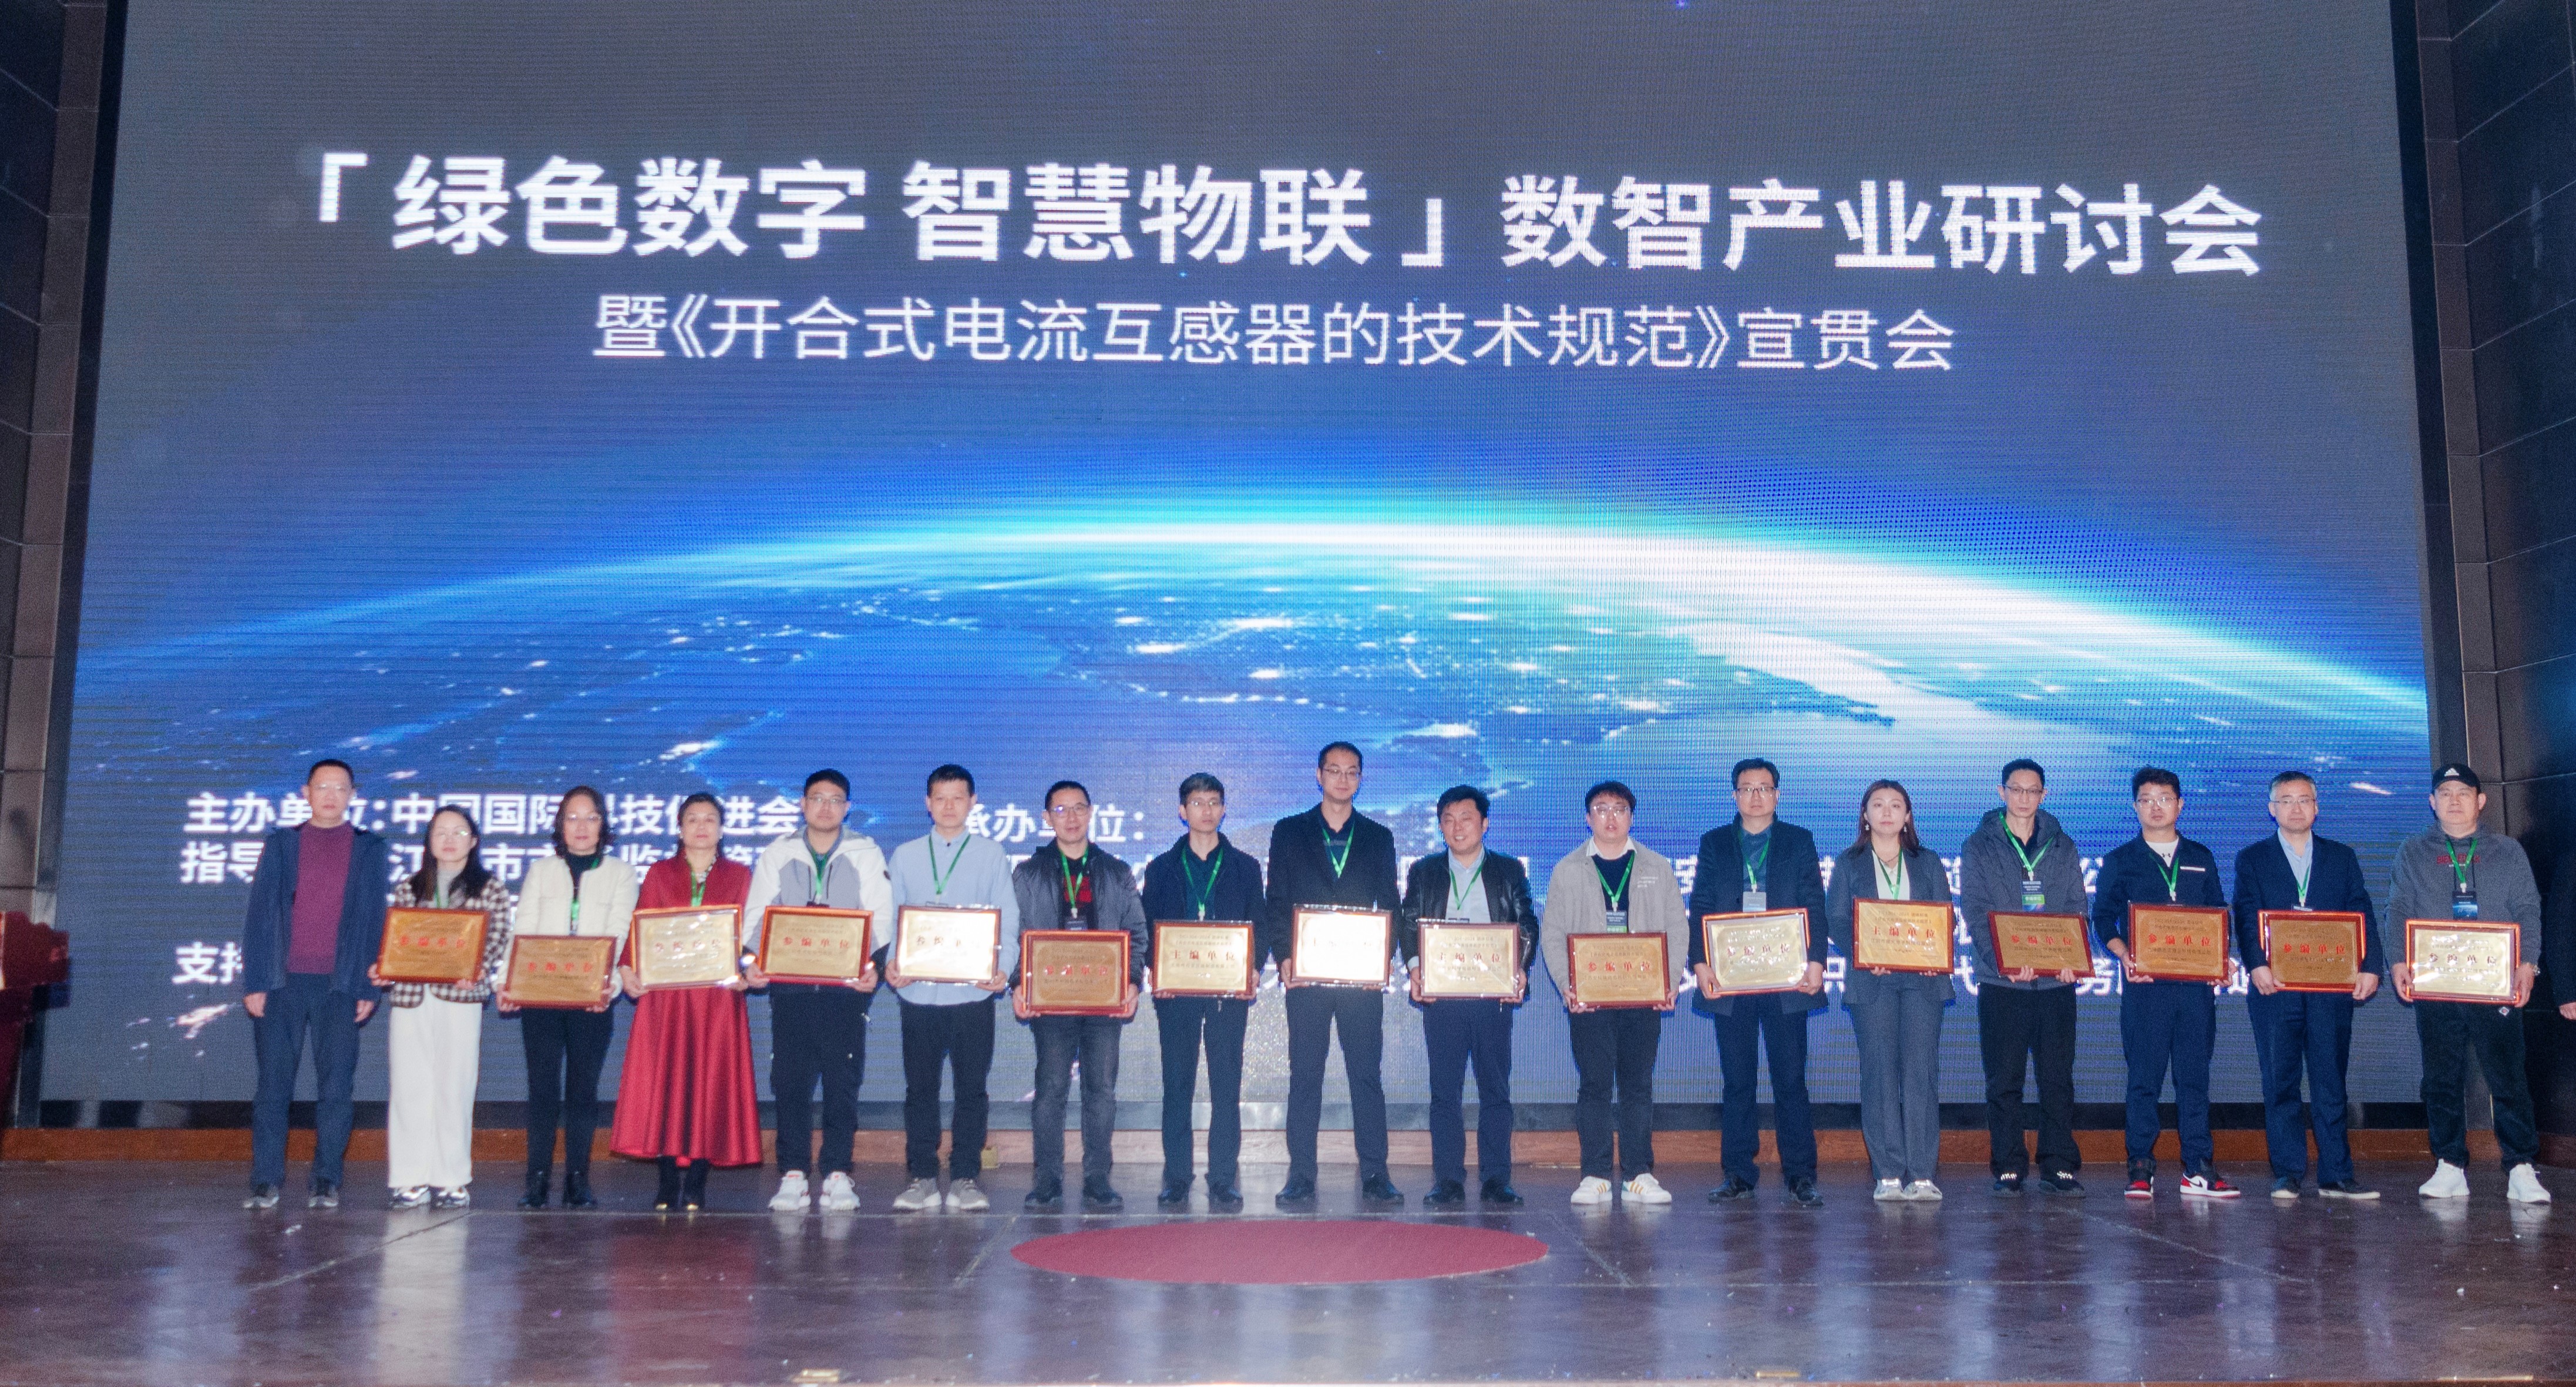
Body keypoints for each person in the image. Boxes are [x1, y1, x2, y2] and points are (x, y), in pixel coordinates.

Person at [2389, 764, 2551, 1204]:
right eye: (2445, 793)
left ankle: (2520, 1165)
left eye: (2464, 792)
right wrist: (2399, 960)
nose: (2454, 800)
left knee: (2508, 1075)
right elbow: (2398, 908)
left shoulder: (2507, 851)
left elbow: (2528, 908)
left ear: (2481, 800)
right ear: (2432, 802)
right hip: (2436, 982)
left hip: (2494, 982)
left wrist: (2528, 964)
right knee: (2441, 1078)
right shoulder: (2413, 851)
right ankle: (2449, 1164)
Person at [240, 758, 390, 1211]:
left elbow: (373, 918)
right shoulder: (282, 843)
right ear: (306, 792)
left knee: (336, 1087)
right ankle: (265, 1180)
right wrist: (256, 980)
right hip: (281, 982)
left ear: (353, 795)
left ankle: (326, 1179)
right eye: (322, 786)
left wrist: (367, 986)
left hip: (339, 985)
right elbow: (260, 913)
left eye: (340, 787)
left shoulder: (369, 848)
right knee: (273, 1086)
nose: (330, 795)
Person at [2230, 770, 2385, 1201]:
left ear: (2316, 807)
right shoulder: (2253, 858)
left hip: (2330, 987)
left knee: (2330, 1079)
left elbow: (2362, 910)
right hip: (2275, 986)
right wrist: (2256, 964)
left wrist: (2370, 965)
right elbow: (2246, 914)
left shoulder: (2341, 856)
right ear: (2272, 809)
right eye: (2286, 800)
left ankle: (2337, 1174)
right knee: (2280, 1080)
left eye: (2303, 800)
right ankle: (2287, 1172)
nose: (2295, 808)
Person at [744, 769, 890, 1215]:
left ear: (848, 808)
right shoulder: (779, 852)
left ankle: (838, 1172)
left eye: (836, 800)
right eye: (818, 798)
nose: (826, 807)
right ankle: (792, 1173)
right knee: (790, 1082)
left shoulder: (865, 852)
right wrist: (751, 963)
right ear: (803, 805)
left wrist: (872, 969)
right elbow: (756, 917)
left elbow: (881, 918)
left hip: (845, 991)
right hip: (791, 990)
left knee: (842, 1082)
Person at [1266, 741, 1404, 1209]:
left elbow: (1390, 904)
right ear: (1318, 775)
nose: (1343, 779)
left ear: (1360, 778)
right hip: (1307, 976)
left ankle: (1376, 1174)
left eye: (1352, 772)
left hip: (1359, 978)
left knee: (1366, 1075)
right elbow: (1277, 900)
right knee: (1305, 1075)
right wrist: (1285, 955)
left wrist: (1382, 957)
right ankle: (1301, 1174)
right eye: (1334, 770)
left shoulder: (1378, 837)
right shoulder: (1289, 831)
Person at [1686, 757, 1830, 1207]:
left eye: (1764, 788)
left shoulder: (1798, 840)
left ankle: (1801, 1174)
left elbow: (1814, 902)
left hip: (1787, 977)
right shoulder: (1714, 842)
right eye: (1746, 788)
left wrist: (1817, 961)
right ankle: (1738, 1174)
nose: (1755, 796)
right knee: (1737, 1080)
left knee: (1791, 1079)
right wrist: (1700, 962)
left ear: (1777, 794)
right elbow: (1701, 903)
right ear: (1734, 795)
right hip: (1731, 978)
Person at [1541, 780, 1689, 1209]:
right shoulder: (1568, 869)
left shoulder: (1656, 866)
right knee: (1595, 1085)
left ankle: (1640, 1173)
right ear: (1588, 817)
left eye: (1620, 809)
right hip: (1590, 998)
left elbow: (1677, 927)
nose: (1611, 817)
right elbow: (1553, 933)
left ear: (1631, 816)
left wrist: (1669, 981)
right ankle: (1595, 1175)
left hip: (1643, 996)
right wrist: (1567, 985)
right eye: (1602, 808)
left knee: (1638, 1084)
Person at [2091, 767, 2237, 1200]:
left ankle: (2198, 1167)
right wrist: (2125, 954)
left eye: (2165, 798)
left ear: (2180, 804)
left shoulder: (2200, 855)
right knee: (2144, 1080)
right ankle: (2140, 1166)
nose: (2156, 806)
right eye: (2147, 799)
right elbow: (2103, 918)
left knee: (2194, 1080)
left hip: (2195, 990)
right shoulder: (2121, 859)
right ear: (2135, 806)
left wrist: (2221, 958)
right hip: (2146, 988)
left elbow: (2218, 913)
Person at [611, 792, 762, 1211]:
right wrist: (628, 968)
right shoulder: (660, 873)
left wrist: (747, 969)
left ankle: (696, 1180)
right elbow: (640, 929)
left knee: (709, 1083)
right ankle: (665, 1181)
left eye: (710, 819)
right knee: (666, 1082)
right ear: (679, 828)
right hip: (667, 999)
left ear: (722, 829)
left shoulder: (739, 875)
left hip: (717, 1000)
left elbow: (749, 936)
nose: (701, 827)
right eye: (692, 819)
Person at [879, 764, 1018, 1214]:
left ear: (973, 802)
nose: (949, 806)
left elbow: (1007, 918)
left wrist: (1003, 968)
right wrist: (892, 963)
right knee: (920, 1089)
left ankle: (965, 1177)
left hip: (972, 994)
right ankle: (922, 1177)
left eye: (958, 797)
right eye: (940, 797)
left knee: (971, 1090)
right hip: (918, 993)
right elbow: (891, 918)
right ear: (927, 803)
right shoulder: (905, 855)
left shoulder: (991, 854)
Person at [1395, 784, 1538, 1208]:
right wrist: (1416, 969)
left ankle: (1497, 1179)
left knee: (1495, 1090)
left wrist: (1519, 970)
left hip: (1492, 996)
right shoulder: (1425, 870)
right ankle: (1448, 1180)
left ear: (1485, 823)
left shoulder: (1508, 870)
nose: (1458, 827)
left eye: (1467, 818)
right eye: (1449, 820)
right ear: (1441, 826)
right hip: (1443, 997)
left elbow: (1526, 923)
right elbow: (1409, 922)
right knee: (1445, 1092)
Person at [1010, 780, 1149, 1212]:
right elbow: (1015, 935)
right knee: (1050, 1089)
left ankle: (1097, 1180)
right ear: (1046, 818)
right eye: (1060, 809)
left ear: (1091, 813)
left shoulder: (1115, 871)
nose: (1070, 818)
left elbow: (1136, 933)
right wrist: (1018, 982)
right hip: (1051, 999)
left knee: (1101, 1090)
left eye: (1078, 808)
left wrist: (1131, 981)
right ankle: (1047, 1181)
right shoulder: (1029, 873)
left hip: (1103, 1000)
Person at [1138, 772, 1267, 1211]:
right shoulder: (1160, 868)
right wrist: (1157, 970)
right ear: (1182, 810)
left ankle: (1223, 1178)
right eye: (1197, 803)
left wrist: (1252, 970)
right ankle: (1177, 1177)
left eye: (1214, 802)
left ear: (1224, 809)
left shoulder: (1245, 867)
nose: (1206, 810)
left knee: (1226, 1086)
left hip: (1228, 993)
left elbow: (1259, 924)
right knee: (1177, 1085)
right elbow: (1147, 927)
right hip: (1177, 995)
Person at [373, 806, 513, 1210]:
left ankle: (451, 1179)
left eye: (459, 831)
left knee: (455, 1087)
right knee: (409, 1088)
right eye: (441, 832)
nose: (449, 839)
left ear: (474, 840)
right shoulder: (410, 887)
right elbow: (397, 940)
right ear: (429, 841)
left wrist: (478, 967)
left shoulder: (490, 888)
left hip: (461, 997)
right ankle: (409, 1178)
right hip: (411, 997)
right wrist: (385, 966)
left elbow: (497, 935)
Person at [1960, 758, 2087, 1197]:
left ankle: (2059, 1163)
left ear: (2043, 795)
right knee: (2004, 1080)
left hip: (2056, 983)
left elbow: (2077, 906)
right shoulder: (1979, 845)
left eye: (2033, 791)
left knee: (2057, 1078)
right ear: (2002, 792)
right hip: (2003, 983)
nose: (2024, 798)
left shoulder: (2062, 845)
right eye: (2016, 789)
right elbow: (1975, 909)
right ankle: (2009, 1165)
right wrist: (2003, 961)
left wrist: (2073, 957)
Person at [1825, 780, 1954, 1202]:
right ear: (1865, 815)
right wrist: (1863, 954)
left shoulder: (1927, 862)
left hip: (1923, 981)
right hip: (1873, 980)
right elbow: (1837, 919)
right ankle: (1888, 1173)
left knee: (1921, 1073)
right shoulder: (1849, 863)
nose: (1886, 812)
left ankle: (1922, 1173)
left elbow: (1945, 918)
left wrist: (1932, 950)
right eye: (1878, 805)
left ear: (1908, 816)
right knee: (1879, 1074)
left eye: (1896, 805)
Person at [507, 786, 635, 1210]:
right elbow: (523, 929)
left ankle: (578, 1179)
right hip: (541, 995)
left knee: (583, 1090)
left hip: (591, 998)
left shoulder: (621, 873)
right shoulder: (542, 870)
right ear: (561, 825)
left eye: (591, 817)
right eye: (572, 818)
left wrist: (607, 988)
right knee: (542, 1089)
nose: (582, 827)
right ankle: (537, 1179)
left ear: (603, 824)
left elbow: (620, 933)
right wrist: (509, 983)